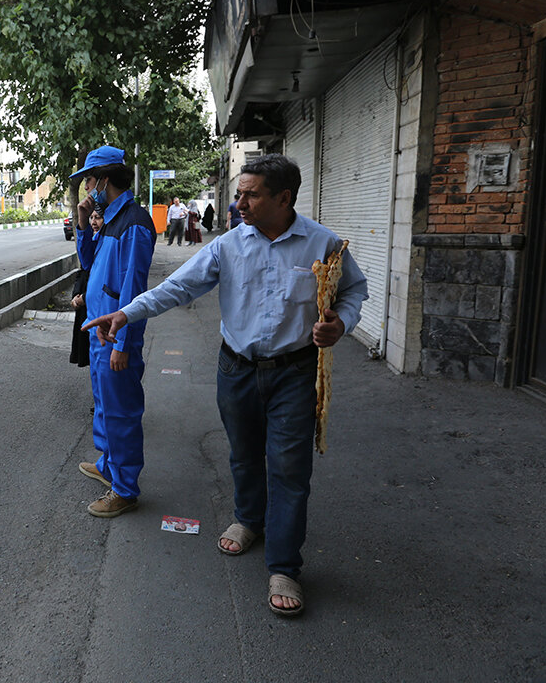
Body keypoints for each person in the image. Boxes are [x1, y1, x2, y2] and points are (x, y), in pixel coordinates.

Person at [84, 154, 368, 617]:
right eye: (238, 194)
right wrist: (126, 312)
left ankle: (284, 566)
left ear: (284, 198)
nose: (239, 203)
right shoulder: (230, 244)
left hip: (294, 373)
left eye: (250, 194)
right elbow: (177, 286)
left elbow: (354, 291)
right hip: (235, 369)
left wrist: (342, 324)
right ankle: (249, 520)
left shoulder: (323, 243)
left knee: (289, 469)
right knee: (242, 454)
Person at [71, 145, 156, 518]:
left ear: (103, 180)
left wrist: (123, 342)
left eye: (89, 182)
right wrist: (83, 222)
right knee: (105, 405)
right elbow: (88, 264)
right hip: (98, 331)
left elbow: (133, 288)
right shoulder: (110, 219)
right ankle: (108, 465)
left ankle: (124, 488)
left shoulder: (134, 223)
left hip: (115, 336)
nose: (87, 189)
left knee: (120, 412)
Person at [69, 207, 104, 368]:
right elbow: (83, 270)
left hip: (97, 304)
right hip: (84, 301)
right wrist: (76, 295)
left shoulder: (106, 243)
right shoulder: (91, 240)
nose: (93, 222)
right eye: (91, 218)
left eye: (98, 218)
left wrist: (84, 297)